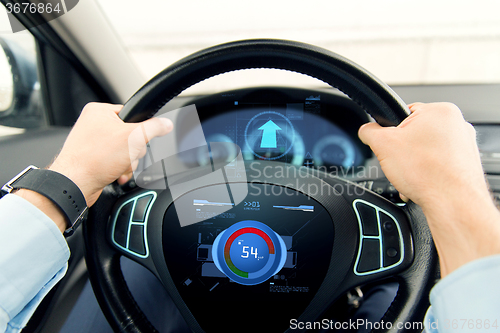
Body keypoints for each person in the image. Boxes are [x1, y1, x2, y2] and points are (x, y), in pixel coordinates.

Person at [0, 101, 499, 332]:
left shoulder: (190, 184)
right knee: (392, 292)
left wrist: (70, 177)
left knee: (137, 275)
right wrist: (452, 192)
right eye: (212, 155)